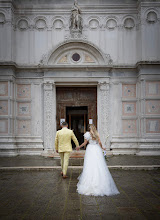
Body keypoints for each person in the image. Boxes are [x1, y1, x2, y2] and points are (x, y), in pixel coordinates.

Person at [76, 124, 120, 196]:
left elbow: (85, 143)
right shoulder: (97, 134)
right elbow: (99, 142)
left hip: (90, 149)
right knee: (99, 164)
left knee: (89, 165)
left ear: (89, 128)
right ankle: (101, 182)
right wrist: (102, 147)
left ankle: (89, 181)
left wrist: (79, 147)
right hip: (96, 149)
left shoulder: (87, 134)